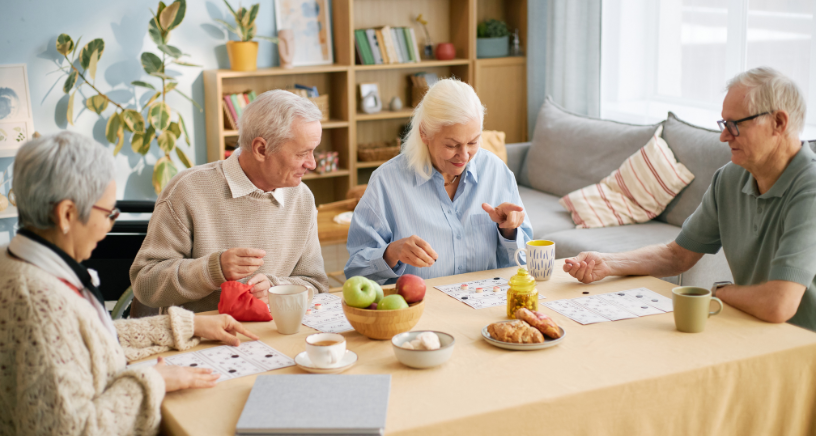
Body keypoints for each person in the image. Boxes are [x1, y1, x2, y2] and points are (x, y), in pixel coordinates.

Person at [0, 132, 258, 436]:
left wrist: (189, 326)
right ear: (66, 214)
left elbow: (84, 341)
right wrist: (152, 380)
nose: (109, 227)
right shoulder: (40, 304)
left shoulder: (16, 259)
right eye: (109, 214)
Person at [564, 67, 816, 331]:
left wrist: (720, 293)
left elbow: (779, 305)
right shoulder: (729, 179)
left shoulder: (810, 188)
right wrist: (608, 263)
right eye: (724, 124)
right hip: (749, 327)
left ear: (779, 123)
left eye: (735, 125)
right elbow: (677, 255)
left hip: (800, 345)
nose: (723, 136)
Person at [131, 90, 330, 313]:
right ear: (261, 149)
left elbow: (316, 285)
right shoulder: (188, 190)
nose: (312, 164)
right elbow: (145, 284)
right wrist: (212, 270)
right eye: (303, 153)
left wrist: (277, 288)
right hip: (202, 339)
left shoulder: (301, 197)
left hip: (275, 334)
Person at [345, 79, 533, 284]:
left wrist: (508, 231)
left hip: (485, 307)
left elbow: (524, 262)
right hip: (419, 310)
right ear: (424, 132)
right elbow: (356, 271)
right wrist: (391, 253)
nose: (464, 155)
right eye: (452, 145)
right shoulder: (387, 181)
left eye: (473, 142)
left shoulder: (496, 172)